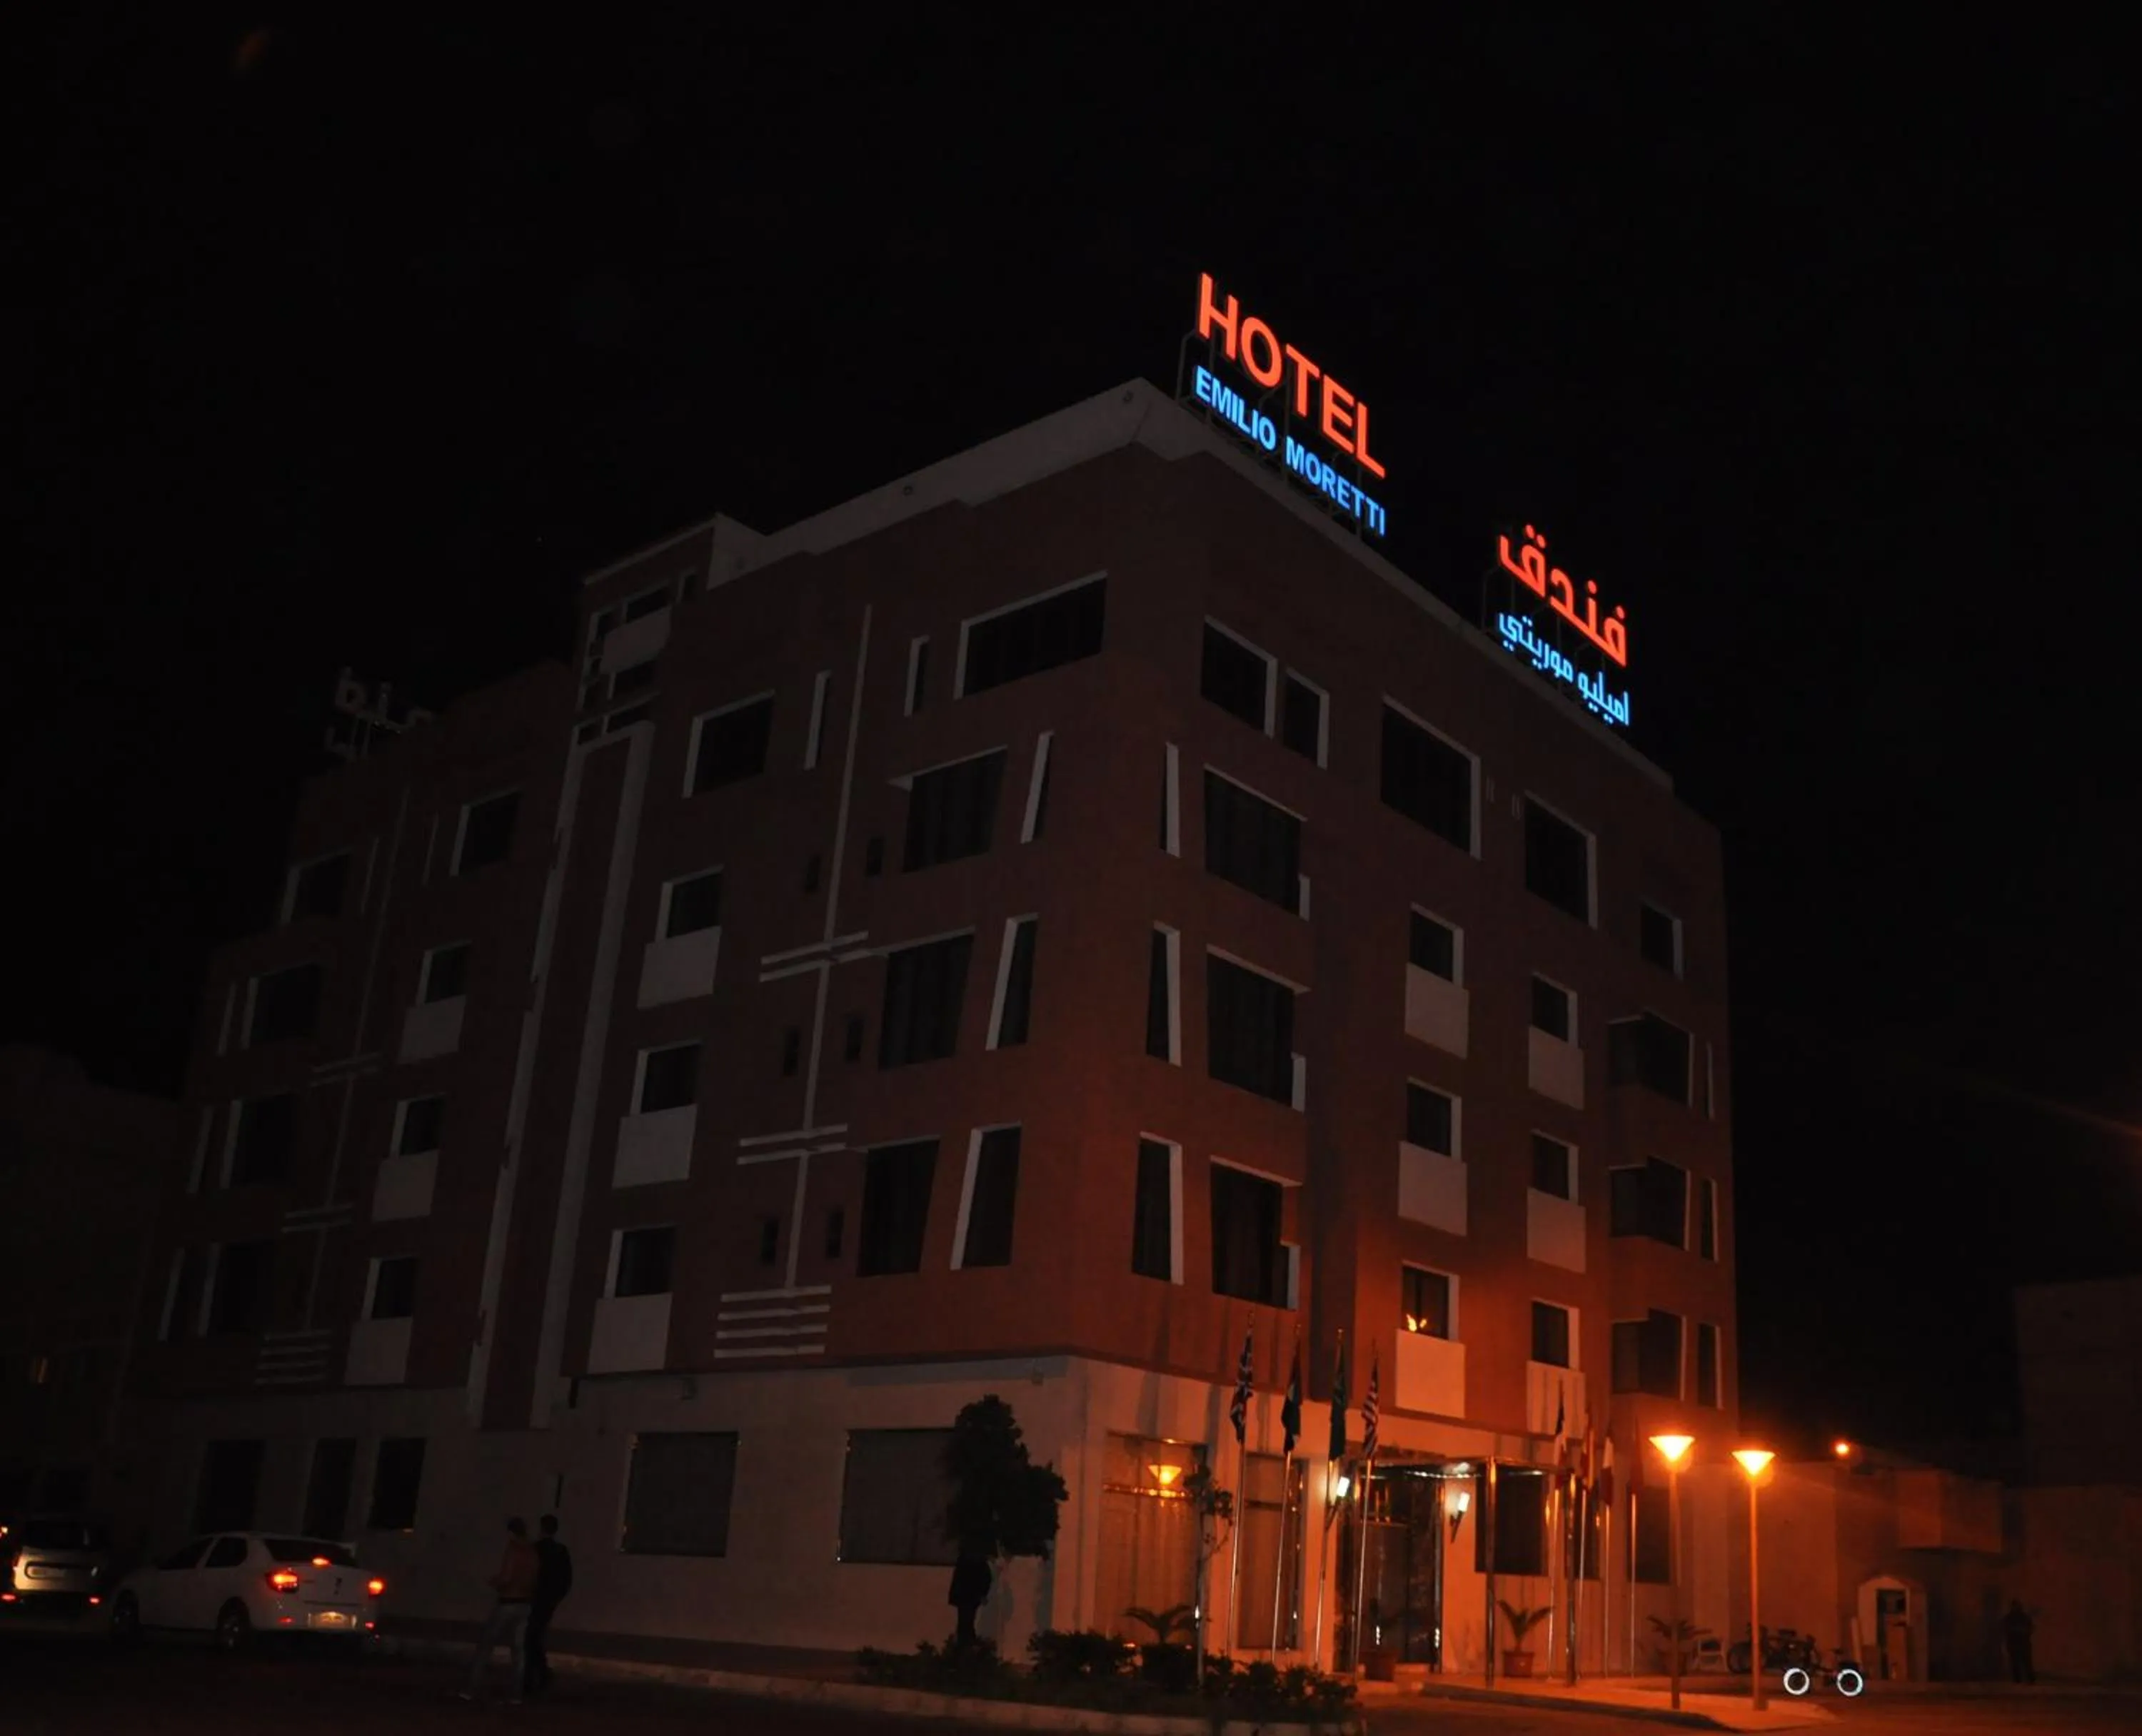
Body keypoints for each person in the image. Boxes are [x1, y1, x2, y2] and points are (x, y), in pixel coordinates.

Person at [459, 1517, 540, 1704]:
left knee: (486, 1646)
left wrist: (494, 1582)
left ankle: (471, 1689)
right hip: (525, 1603)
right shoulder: (533, 1551)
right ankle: (516, 1694)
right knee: (519, 1651)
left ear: (511, 1532)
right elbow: (534, 1578)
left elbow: (507, 1577)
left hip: (508, 1602)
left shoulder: (513, 1549)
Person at [526, 1513, 574, 1695]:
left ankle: (535, 1675)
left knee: (530, 1636)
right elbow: (567, 1579)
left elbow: (529, 1574)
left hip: (536, 1598)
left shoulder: (536, 1550)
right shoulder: (561, 1551)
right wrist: (556, 1597)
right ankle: (540, 1672)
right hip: (549, 1599)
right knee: (535, 1635)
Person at [947, 1552, 992, 1652]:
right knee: (967, 1620)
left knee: (965, 1621)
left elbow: (958, 1579)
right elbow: (986, 1578)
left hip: (966, 1596)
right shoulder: (978, 1561)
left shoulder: (966, 1560)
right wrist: (982, 1594)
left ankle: (965, 1644)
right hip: (970, 1596)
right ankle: (966, 1644)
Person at [2001, 1599, 2035, 1685]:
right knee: (2016, 1664)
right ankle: (2019, 1681)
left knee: (2025, 1663)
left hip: (2022, 1644)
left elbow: (2030, 1629)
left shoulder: (2023, 1617)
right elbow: (2005, 1629)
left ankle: (2029, 1680)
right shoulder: (2010, 1618)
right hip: (2016, 1644)